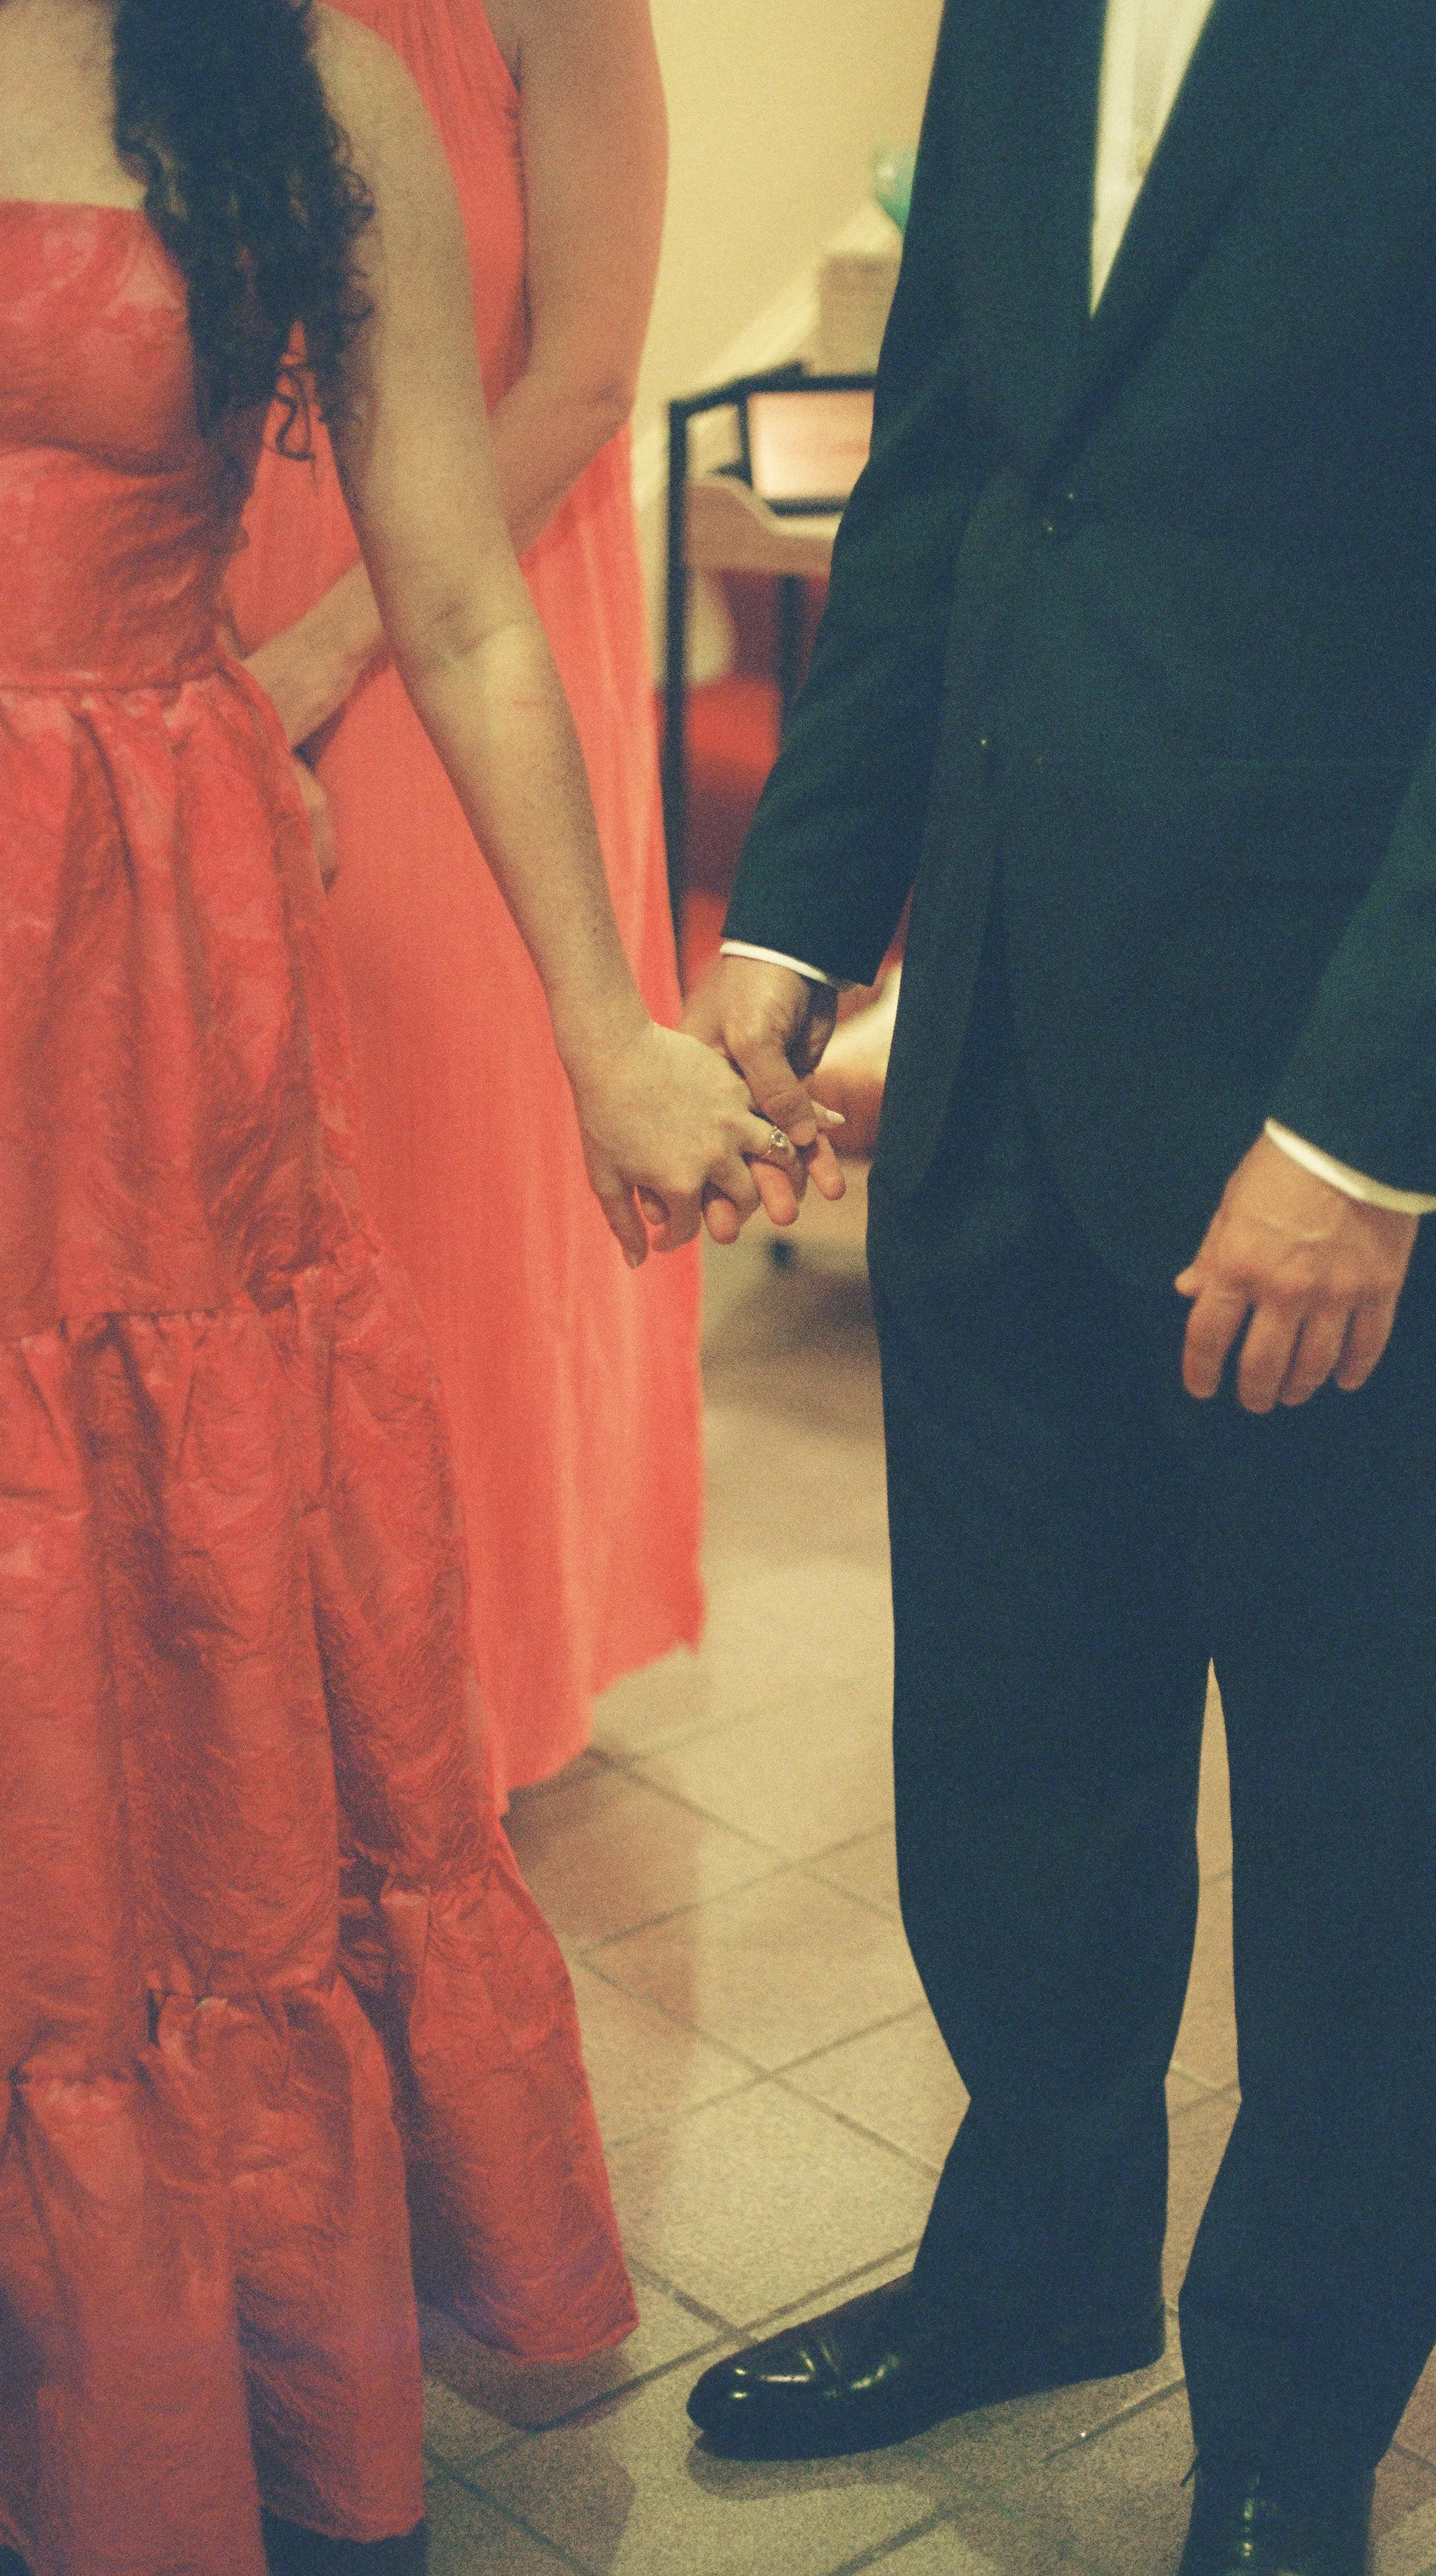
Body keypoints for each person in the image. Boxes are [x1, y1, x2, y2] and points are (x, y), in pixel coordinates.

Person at [681, 0, 1436, 2568]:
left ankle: (1293, 2410)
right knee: (1013, 1707)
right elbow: (947, 460)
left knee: (1356, 1789)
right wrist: (800, 914)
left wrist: (1365, 1131)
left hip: (1347, 1064)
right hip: (1010, 1024)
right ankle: (1038, 2261)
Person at [0, 2, 806, 2569]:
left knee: (160, 1627)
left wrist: (610, 1031)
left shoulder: (291, 90)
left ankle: (166, 2386)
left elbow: (458, 605)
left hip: (143, 960)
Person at [228, 0, 698, 1798]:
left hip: (461, 615)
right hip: (190, 600)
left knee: (439, 1175)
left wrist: (312, 657)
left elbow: (581, 372)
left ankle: (458, 1704)